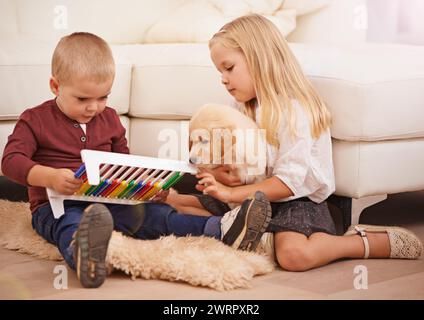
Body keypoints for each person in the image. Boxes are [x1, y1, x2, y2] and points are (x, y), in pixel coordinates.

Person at [1, 32, 271, 288]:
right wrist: (47, 176)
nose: (94, 107)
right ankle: (86, 257)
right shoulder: (35, 119)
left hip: (109, 199)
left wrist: (145, 186)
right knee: (69, 226)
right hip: (56, 206)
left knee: (156, 216)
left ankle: (222, 229)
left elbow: (124, 162)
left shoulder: (108, 119)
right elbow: (11, 160)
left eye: (103, 97)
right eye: (83, 98)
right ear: (55, 86)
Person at [166, 14, 423, 271]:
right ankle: (258, 236)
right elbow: (245, 167)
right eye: (220, 71)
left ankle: (361, 242)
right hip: (255, 200)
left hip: (297, 201)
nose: (223, 78)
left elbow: (290, 183)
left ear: (259, 59)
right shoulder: (242, 107)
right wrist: (222, 177)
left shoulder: (295, 110)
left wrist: (232, 193)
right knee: (179, 203)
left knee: (294, 256)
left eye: (229, 68)